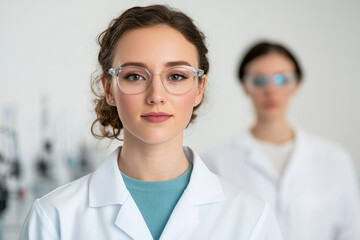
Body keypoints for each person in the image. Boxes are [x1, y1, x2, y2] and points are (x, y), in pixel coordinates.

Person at [19, 6, 283, 240]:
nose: (156, 96)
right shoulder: (54, 219)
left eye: (176, 76)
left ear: (199, 88)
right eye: (134, 76)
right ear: (109, 89)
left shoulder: (250, 218)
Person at [203, 41, 360, 240]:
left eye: (282, 79)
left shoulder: (334, 158)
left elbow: (351, 230)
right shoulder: (217, 161)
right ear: (245, 86)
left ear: (295, 84)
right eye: (259, 81)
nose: (271, 90)